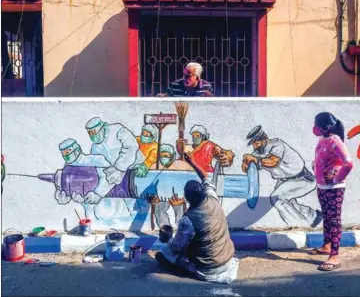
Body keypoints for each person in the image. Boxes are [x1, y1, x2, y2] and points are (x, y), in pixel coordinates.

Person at [155, 152, 239, 284]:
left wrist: (168, 240)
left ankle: (182, 269)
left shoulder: (188, 220)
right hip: (227, 258)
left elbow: (177, 247)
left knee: (165, 253)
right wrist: (193, 162)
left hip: (210, 268)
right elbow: (205, 177)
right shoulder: (212, 198)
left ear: (187, 198)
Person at [242, 126, 322, 227]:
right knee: (289, 202)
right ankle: (313, 217)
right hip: (285, 180)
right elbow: (247, 168)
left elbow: (273, 162)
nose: (255, 147)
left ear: (263, 140)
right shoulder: (257, 153)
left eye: (256, 143)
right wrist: (246, 161)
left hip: (302, 178)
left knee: (277, 199)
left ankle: (298, 225)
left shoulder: (276, 144)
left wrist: (255, 160)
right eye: (253, 144)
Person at [309, 112, 353, 272]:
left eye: (316, 124)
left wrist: (336, 178)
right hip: (322, 186)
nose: (314, 128)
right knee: (327, 217)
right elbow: (325, 158)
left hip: (334, 188)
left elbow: (348, 163)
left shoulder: (336, 141)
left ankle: (335, 255)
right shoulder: (323, 140)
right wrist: (316, 166)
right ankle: (327, 246)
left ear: (325, 127)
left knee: (334, 219)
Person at [55, 138, 111, 205]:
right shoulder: (67, 166)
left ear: (77, 150)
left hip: (109, 204)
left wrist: (98, 193)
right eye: (63, 153)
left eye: (67, 152)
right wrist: (63, 193)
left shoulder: (96, 160)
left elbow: (110, 176)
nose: (66, 155)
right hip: (89, 210)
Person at [85, 117, 139, 186]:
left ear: (102, 128)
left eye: (93, 132)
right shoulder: (95, 148)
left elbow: (131, 146)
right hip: (113, 179)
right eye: (90, 133)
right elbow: (99, 170)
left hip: (132, 171)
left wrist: (119, 167)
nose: (92, 135)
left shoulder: (117, 130)